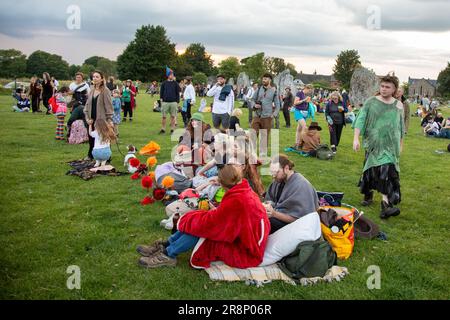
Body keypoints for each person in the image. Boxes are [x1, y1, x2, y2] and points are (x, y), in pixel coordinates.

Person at [137, 164, 270, 269]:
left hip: (246, 249)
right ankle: (167, 245)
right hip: (244, 238)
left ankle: (168, 255)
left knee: (199, 229)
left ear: (223, 185)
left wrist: (189, 219)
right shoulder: (242, 190)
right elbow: (228, 219)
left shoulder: (237, 199)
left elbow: (215, 225)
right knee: (198, 223)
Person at [353, 74, 404, 219]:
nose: (384, 89)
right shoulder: (371, 102)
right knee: (370, 170)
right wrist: (356, 138)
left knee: (385, 171)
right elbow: (360, 119)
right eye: (382, 86)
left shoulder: (398, 105)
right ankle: (368, 195)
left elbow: (399, 127)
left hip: (389, 146)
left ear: (394, 89)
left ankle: (385, 205)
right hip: (374, 143)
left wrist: (400, 144)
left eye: (388, 87)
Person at [264, 154, 319, 234]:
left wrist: (274, 214)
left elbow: (301, 219)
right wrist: (267, 206)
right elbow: (270, 199)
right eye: (272, 172)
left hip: (299, 227)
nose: (273, 176)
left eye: (276, 172)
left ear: (286, 168)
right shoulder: (278, 181)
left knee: (266, 222)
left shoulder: (301, 186)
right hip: (281, 217)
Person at [83, 70, 114, 161]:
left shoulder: (105, 90)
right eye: (93, 77)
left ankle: (107, 156)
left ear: (101, 79)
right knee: (92, 137)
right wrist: (87, 118)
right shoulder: (91, 90)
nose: (95, 78)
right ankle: (91, 155)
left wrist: (109, 119)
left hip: (101, 119)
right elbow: (87, 105)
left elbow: (109, 106)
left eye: (97, 77)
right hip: (92, 119)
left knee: (104, 138)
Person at [250, 73, 280, 137]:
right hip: (257, 115)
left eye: (265, 79)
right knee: (252, 136)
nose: (263, 80)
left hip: (267, 117)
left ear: (270, 80)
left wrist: (274, 114)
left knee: (264, 140)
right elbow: (252, 99)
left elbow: (277, 105)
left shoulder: (274, 91)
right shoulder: (259, 89)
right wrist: (254, 105)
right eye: (263, 79)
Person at [160, 68, 180, 134]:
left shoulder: (176, 84)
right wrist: (161, 100)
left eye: (173, 75)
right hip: (165, 102)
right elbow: (161, 92)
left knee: (173, 116)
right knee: (164, 117)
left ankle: (172, 129)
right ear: (168, 75)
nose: (172, 76)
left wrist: (177, 102)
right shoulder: (164, 83)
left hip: (173, 102)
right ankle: (163, 129)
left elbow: (178, 93)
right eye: (171, 74)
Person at [292, 84, 314, 149]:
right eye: (310, 91)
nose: (309, 92)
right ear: (306, 88)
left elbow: (305, 104)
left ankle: (297, 144)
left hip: (304, 113)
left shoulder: (305, 95)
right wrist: (304, 100)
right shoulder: (299, 93)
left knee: (299, 129)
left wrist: (308, 102)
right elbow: (295, 103)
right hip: (298, 112)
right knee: (305, 127)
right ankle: (306, 143)